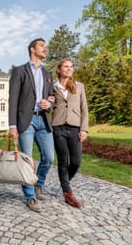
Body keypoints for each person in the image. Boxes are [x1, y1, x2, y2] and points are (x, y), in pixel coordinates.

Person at [9, 38, 55, 212]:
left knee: (49, 157)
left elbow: (52, 98)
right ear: (32, 49)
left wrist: (49, 104)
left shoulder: (47, 74)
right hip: (25, 121)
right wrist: (12, 125)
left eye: (45, 46)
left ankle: (38, 184)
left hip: (43, 120)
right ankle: (30, 196)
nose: (45, 48)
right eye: (42, 46)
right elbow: (13, 99)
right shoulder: (20, 71)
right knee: (26, 160)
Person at [51, 59, 89, 208]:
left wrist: (84, 129)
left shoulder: (79, 86)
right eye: (66, 67)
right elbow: (50, 104)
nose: (69, 69)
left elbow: (84, 109)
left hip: (74, 127)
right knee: (62, 161)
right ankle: (67, 192)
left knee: (76, 162)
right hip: (58, 126)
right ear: (59, 69)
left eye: (71, 67)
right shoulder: (53, 87)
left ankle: (64, 183)